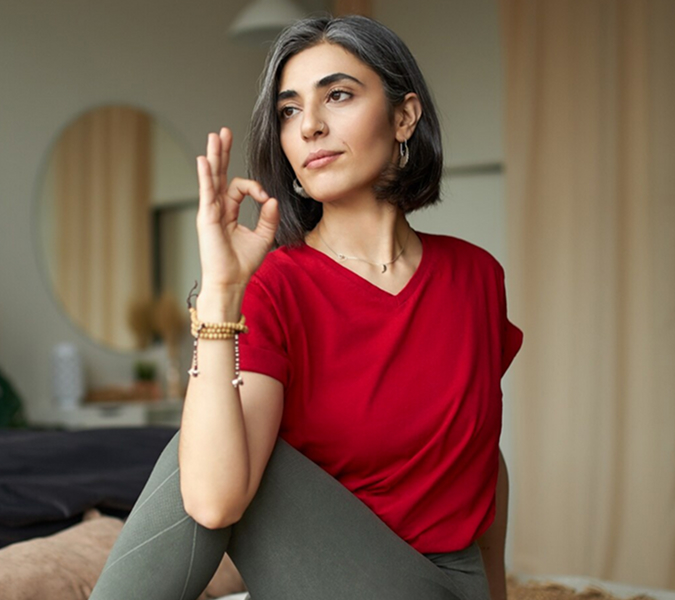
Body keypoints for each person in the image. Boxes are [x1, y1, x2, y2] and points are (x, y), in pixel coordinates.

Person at [88, 14, 522, 600]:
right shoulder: (278, 286)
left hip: (448, 580)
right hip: (337, 579)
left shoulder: (476, 275)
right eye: (289, 111)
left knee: (214, 449)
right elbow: (214, 501)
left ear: (404, 116)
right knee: (211, 450)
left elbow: (481, 463)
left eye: (338, 96)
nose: (310, 126)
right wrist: (220, 291)